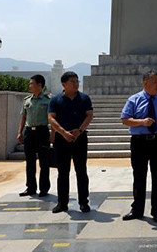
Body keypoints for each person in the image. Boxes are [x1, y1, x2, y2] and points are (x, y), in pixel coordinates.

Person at [120, 70, 157, 222]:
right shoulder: (134, 100)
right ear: (145, 83)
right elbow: (125, 119)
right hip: (139, 141)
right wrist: (142, 122)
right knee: (139, 175)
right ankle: (137, 209)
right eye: (155, 82)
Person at [48, 71, 93, 213]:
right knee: (63, 172)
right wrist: (63, 132)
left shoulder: (84, 98)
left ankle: (84, 202)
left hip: (80, 138)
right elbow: (51, 118)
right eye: (72, 81)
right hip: (62, 140)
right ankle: (62, 203)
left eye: (77, 81)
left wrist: (79, 131)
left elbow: (89, 115)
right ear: (64, 84)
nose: (76, 84)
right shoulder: (55, 100)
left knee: (81, 171)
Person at [18, 74, 52, 197]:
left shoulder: (48, 100)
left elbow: (52, 118)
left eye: (32, 83)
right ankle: (31, 187)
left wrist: (52, 133)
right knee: (30, 162)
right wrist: (20, 132)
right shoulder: (27, 100)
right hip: (29, 132)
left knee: (44, 162)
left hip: (42, 132)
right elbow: (23, 117)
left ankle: (44, 188)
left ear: (39, 85)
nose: (30, 86)